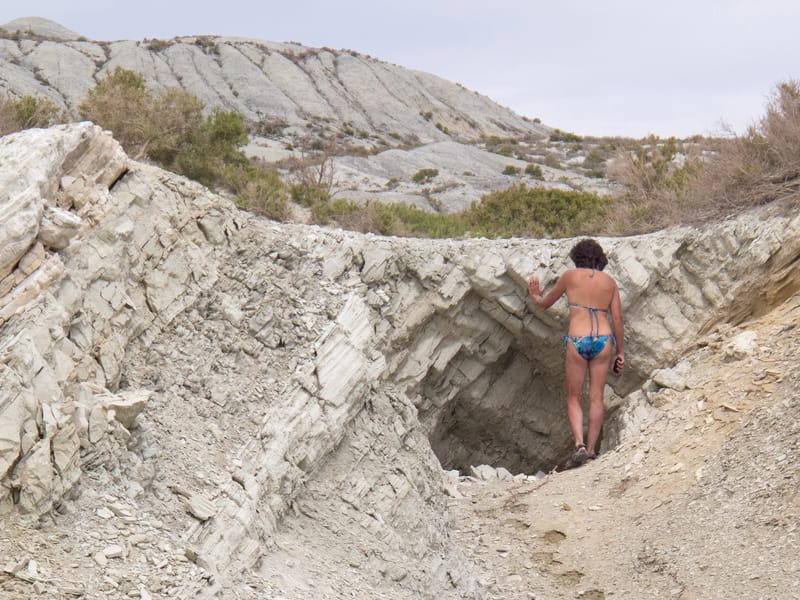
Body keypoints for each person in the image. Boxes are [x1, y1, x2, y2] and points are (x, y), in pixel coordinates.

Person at [527, 239, 625, 467]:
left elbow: (545, 303)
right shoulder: (610, 282)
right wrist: (620, 352)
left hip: (577, 339)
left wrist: (535, 294)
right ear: (600, 259)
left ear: (576, 256)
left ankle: (579, 444)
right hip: (602, 340)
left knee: (574, 396)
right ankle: (591, 450)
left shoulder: (570, 277)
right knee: (596, 398)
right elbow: (618, 319)